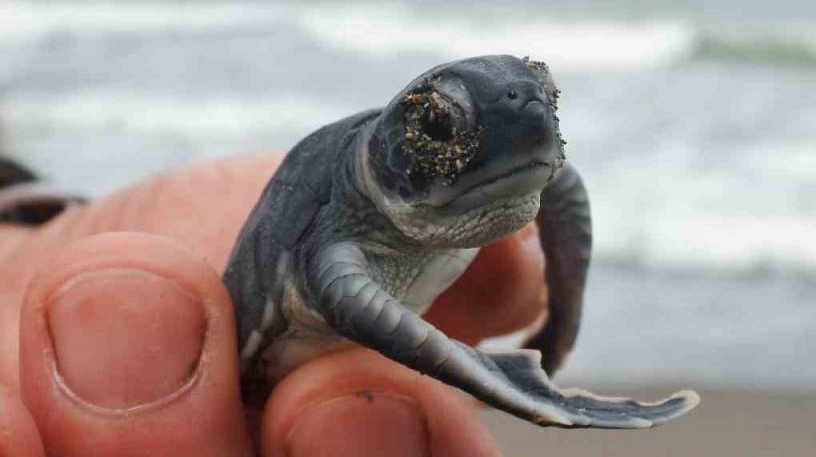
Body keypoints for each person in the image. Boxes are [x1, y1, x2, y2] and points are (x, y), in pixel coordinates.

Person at [0, 153, 548, 456]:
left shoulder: (497, 174)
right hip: (260, 359)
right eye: (440, 124)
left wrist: (22, 225)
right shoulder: (345, 244)